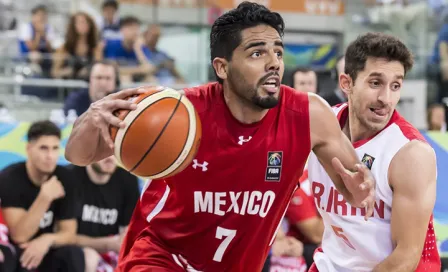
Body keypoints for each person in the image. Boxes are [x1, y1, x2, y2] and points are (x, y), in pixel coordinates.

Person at [65, 2, 376, 271]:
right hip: (160, 258)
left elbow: (356, 188)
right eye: (257, 53)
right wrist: (92, 117)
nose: (274, 63)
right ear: (222, 67)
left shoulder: (310, 115)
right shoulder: (179, 111)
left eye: (278, 52)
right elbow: (79, 156)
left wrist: (361, 192)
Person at [307, 33, 441, 271]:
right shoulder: (320, 125)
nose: (386, 99)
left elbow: (405, 257)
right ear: (346, 83)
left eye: (396, 86)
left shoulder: (410, 153)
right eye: (375, 83)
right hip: (331, 263)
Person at [0, 121, 84, 272]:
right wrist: (44, 198)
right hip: (19, 250)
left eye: (55, 148)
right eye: (43, 148)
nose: (50, 156)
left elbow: (69, 234)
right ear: (29, 149)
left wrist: (46, 240)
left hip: (48, 248)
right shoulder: (10, 178)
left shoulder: (65, 177)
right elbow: (19, 236)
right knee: (23, 261)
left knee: (73, 254)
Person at [67, 155, 140, 272]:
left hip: (112, 252)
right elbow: (65, 237)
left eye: (113, 150)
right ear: (90, 151)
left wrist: (116, 244)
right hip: (76, 251)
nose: (110, 157)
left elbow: (126, 238)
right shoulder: (70, 177)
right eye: (104, 151)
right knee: (88, 257)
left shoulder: (128, 180)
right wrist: (109, 244)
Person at [52, 12, 103, 80]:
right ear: (73, 25)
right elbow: (54, 72)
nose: (83, 25)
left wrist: (89, 70)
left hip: (88, 85)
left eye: (86, 22)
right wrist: (66, 72)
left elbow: (100, 69)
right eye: (80, 22)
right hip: (69, 84)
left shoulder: (95, 47)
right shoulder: (65, 47)